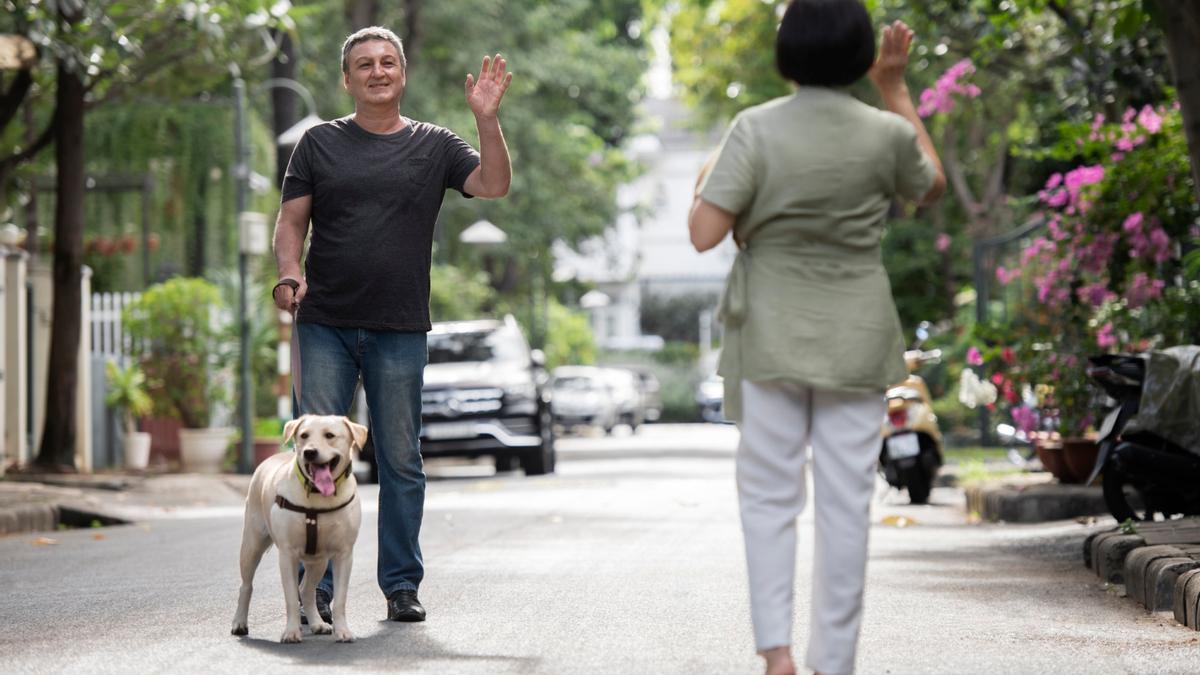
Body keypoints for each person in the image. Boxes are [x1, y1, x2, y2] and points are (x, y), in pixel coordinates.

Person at [688, 1, 946, 673]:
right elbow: (932, 185)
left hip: (769, 334)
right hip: (856, 335)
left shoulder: (754, 129)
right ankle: (834, 662)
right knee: (845, 507)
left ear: (787, 55)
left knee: (770, 499)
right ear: (864, 56)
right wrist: (894, 89)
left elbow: (703, 232)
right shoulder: (884, 132)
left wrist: (721, 171)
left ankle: (777, 654)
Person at [271, 26, 512, 623]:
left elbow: (494, 184)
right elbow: (290, 220)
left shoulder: (436, 145)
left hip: (400, 327)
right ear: (347, 80)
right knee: (313, 460)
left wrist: (486, 118)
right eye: (364, 64)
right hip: (324, 320)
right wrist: (287, 272)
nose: (377, 72)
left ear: (402, 75)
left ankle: (401, 584)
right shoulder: (318, 143)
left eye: (387, 63)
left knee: (401, 459)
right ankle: (314, 592)